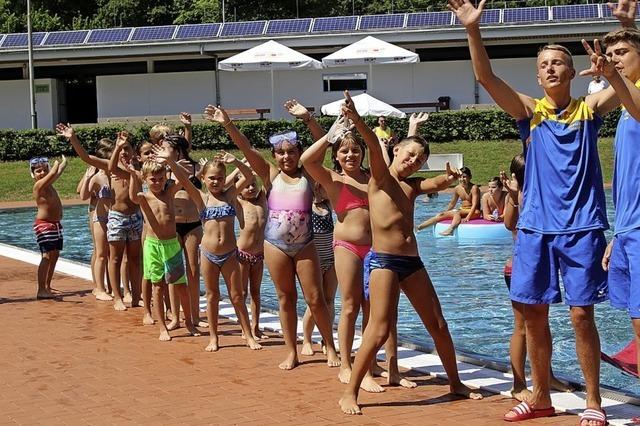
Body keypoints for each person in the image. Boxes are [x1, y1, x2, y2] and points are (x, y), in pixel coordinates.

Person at [451, 0, 623, 422]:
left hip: (582, 227)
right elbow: (485, 77)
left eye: (558, 63)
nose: (550, 69)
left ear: (571, 71)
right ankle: (541, 396)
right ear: (538, 74)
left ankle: (593, 402)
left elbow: (630, 81)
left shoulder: (590, 108)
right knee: (533, 316)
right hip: (534, 230)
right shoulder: (529, 112)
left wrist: (617, 57)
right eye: (543, 63)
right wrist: (473, 29)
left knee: (582, 316)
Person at [338, 90, 482, 415]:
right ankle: (350, 392)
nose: (413, 161)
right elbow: (374, 147)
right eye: (409, 154)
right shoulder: (379, 178)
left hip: (412, 263)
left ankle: (455, 382)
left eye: (419, 159)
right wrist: (358, 119)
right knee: (378, 329)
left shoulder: (412, 186)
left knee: (439, 324)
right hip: (383, 262)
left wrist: (450, 177)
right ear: (396, 150)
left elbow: (436, 184)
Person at [204, 104, 340, 369]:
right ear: (274, 156)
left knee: (316, 298)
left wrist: (308, 119)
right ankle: (292, 352)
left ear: (300, 153)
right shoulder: (270, 175)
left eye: (291, 152)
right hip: (275, 246)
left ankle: (331, 349)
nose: (286, 157)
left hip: (305, 245)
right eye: (280, 153)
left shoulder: (310, 174)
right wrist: (228, 124)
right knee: (285, 298)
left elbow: (322, 143)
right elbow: (247, 150)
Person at [166, 142, 262, 352]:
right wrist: (170, 161)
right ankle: (214, 337)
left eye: (220, 178)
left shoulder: (230, 195)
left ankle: (248, 335)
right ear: (203, 178)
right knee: (212, 296)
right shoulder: (201, 198)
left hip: (229, 254)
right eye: (211, 178)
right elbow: (182, 179)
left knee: (237, 296)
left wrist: (235, 161)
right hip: (209, 254)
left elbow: (246, 175)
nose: (216, 182)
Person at [501, 155, 574, 402]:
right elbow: (509, 224)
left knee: (541, 325)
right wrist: (512, 196)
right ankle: (518, 383)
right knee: (522, 327)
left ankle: (546, 375)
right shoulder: (520, 195)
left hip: (535, 267)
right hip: (518, 270)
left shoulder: (540, 191)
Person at [58, 124, 143, 312]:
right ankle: (118, 297)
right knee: (114, 258)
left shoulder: (138, 169)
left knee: (135, 259)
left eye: (127, 148)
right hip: (117, 217)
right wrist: (73, 138)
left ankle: (136, 297)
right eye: (120, 149)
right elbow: (86, 157)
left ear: (133, 151)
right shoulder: (111, 168)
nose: (124, 153)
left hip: (135, 217)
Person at [599, 23, 640, 395]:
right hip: (628, 229)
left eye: (622, 53)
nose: (614, 61)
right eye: (610, 56)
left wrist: (613, 78)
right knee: (635, 317)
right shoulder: (624, 108)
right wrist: (617, 233)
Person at [124, 145, 201, 341]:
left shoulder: (169, 193)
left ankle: (189, 322)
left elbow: (184, 178)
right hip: (153, 246)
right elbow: (133, 196)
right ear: (145, 179)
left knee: (180, 286)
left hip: (171, 245)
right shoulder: (144, 197)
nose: (157, 183)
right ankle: (162, 328)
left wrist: (170, 162)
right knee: (158, 286)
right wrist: (133, 175)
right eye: (153, 179)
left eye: (160, 179)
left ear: (165, 178)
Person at [162, 134, 207, 330]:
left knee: (193, 270)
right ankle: (175, 317)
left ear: (177, 150)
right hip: (173, 225)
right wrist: (171, 166)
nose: (162, 152)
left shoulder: (196, 168)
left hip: (193, 224)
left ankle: (196, 316)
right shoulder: (164, 169)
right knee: (173, 272)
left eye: (165, 148)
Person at [301, 182, 338, 358]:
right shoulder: (308, 206)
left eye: (323, 188)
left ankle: (326, 339)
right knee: (314, 303)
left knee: (329, 300)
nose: (322, 191)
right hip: (313, 260)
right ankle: (307, 339)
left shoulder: (328, 205)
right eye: (318, 188)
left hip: (331, 259)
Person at [234, 167, 269, 341]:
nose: (250, 188)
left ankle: (255, 326)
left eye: (253, 184)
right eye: (246, 186)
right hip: (242, 254)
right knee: (242, 292)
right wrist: (238, 167)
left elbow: (267, 175)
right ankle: (244, 327)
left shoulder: (263, 198)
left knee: (256, 292)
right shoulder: (239, 203)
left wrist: (252, 166)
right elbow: (228, 189)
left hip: (259, 255)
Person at [79, 141, 115, 301]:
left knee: (110, 253)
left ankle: (109, 285)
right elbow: (81, 193)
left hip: (114, 217)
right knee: (100, 251)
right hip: (98, 214)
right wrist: (88, 178)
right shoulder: (95, 174)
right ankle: (98, 286)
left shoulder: (115, 175)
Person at [31, 155, 67, 299]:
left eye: (44, 170)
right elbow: (53, 172)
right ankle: (41, 289)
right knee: (46, 256)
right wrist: (55, 164)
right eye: (38, 171)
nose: (42, 173)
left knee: (55, 255)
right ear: (32, 174)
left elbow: (57, 172)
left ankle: (47, 286)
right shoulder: (38, 186)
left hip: (55, 225)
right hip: (44, 226)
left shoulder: (49, 184)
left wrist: (64, 162)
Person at [416, 166, 480, 235]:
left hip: (474, 212)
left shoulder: (474, 188)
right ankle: (419, 227)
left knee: (456, 212)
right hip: (462, 210)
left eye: (464, 177)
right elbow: (452, 203)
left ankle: (451, 229)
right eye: (460, 177)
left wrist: (468, 217)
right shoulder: (457, 188)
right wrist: (446, 212)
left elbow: (474, 204)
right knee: (441, 214)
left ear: (470, 177)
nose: (462, 179)